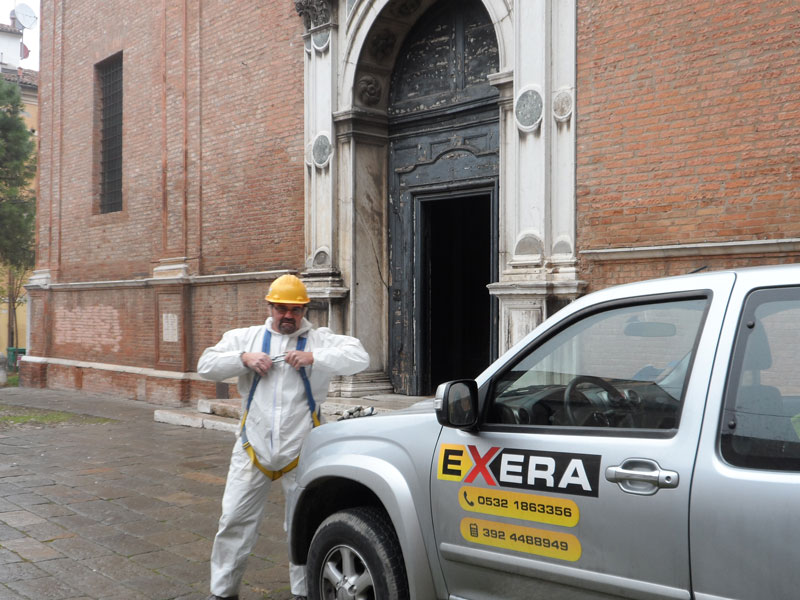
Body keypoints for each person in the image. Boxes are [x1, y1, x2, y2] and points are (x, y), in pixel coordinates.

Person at [197, 274, 370, 600]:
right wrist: (242, 359)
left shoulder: (319, 340)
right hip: (252, 449)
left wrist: (315, 358)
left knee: (301, 526)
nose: (287, 315)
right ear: (269, 306)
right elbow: (205, 364)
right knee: (233, 521)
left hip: (302, 451)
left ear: (304, 310)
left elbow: (360, 357)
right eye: (280, 308)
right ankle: (222, 592)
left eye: (295, 309)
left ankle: (302, 592)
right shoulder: (247, 338)